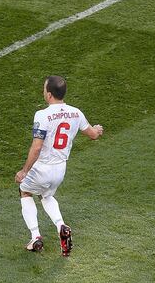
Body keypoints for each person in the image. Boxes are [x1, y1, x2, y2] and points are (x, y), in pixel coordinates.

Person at [15, 76, 104, 255]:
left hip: (42, 167)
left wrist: (24, 171)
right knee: (46, 196)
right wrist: (97, 129)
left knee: (25, 191)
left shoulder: (42, 115)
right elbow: (93, 134)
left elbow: (37, 146)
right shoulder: (76, 113)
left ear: (49, 95)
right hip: (60, 169)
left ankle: (35, 237)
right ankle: (61, 226)